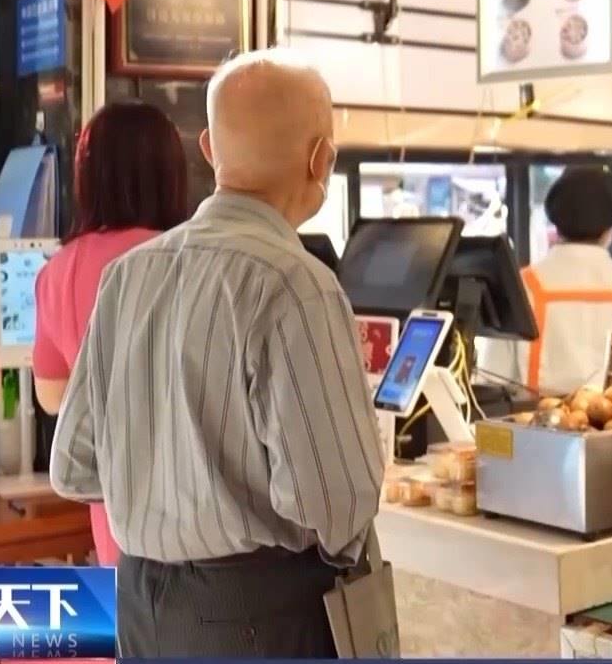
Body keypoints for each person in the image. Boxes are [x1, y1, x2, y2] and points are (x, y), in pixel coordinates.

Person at [52, 50, 386, 658]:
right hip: (258, 615)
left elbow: (74, 467)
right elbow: (338, 503)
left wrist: (167, 491)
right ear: (322, 160)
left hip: (139, 606)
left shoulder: (127, 276)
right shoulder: (295, 284)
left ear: (208, 149)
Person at [32, 101, 190, 567]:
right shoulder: (195, 257)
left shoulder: (60, 270)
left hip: (118, 527)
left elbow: (52, 397)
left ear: (89, 176)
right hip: (205, 522)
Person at [482, 167, 612, 396]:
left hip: (532, 419)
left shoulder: (519, 290)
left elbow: (490, 385)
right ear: (610, 229)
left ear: (556, 225)